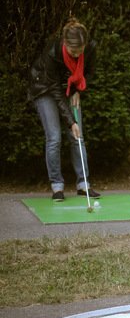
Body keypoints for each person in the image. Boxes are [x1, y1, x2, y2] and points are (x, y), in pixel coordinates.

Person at [28, 18, 100, 202]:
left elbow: (90, 72)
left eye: (80, 51)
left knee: (78, 136)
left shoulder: (90, 48)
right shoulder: (53, 52)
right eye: (72, 51)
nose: (76, 55)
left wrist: (78, 91)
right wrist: (71, 122)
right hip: (45, 89)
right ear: (65, 43)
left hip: (69, 89)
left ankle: (83, 184)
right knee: (54, 137)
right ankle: (57, 187)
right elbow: (55, 90)